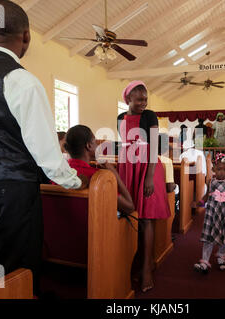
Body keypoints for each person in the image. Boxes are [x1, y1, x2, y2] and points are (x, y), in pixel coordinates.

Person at [0, 0, 88, 295]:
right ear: (26, 36)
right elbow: (45, 148)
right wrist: (74, 181)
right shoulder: (22, 80)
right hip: (13, 184)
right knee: (21, 261)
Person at [117, 80, 171, 293]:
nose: (143, 102)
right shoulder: (120, 117)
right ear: (128, 99)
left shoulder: (150, 116)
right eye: (139, 99)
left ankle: (147, 267)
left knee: (146, 218)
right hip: (128, 165)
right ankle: (134, 261)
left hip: (147, 168)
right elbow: (124, 142)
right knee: (132, 214)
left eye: (145, 99)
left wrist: (149, 177)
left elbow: (155, 146)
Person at [64, 124, 134, 214]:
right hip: (94, 226)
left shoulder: (60, 173)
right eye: (96, 142)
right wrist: (114, 173)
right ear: (89, 146)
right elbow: (129, 207)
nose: (98, 145)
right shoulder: (98, 177)